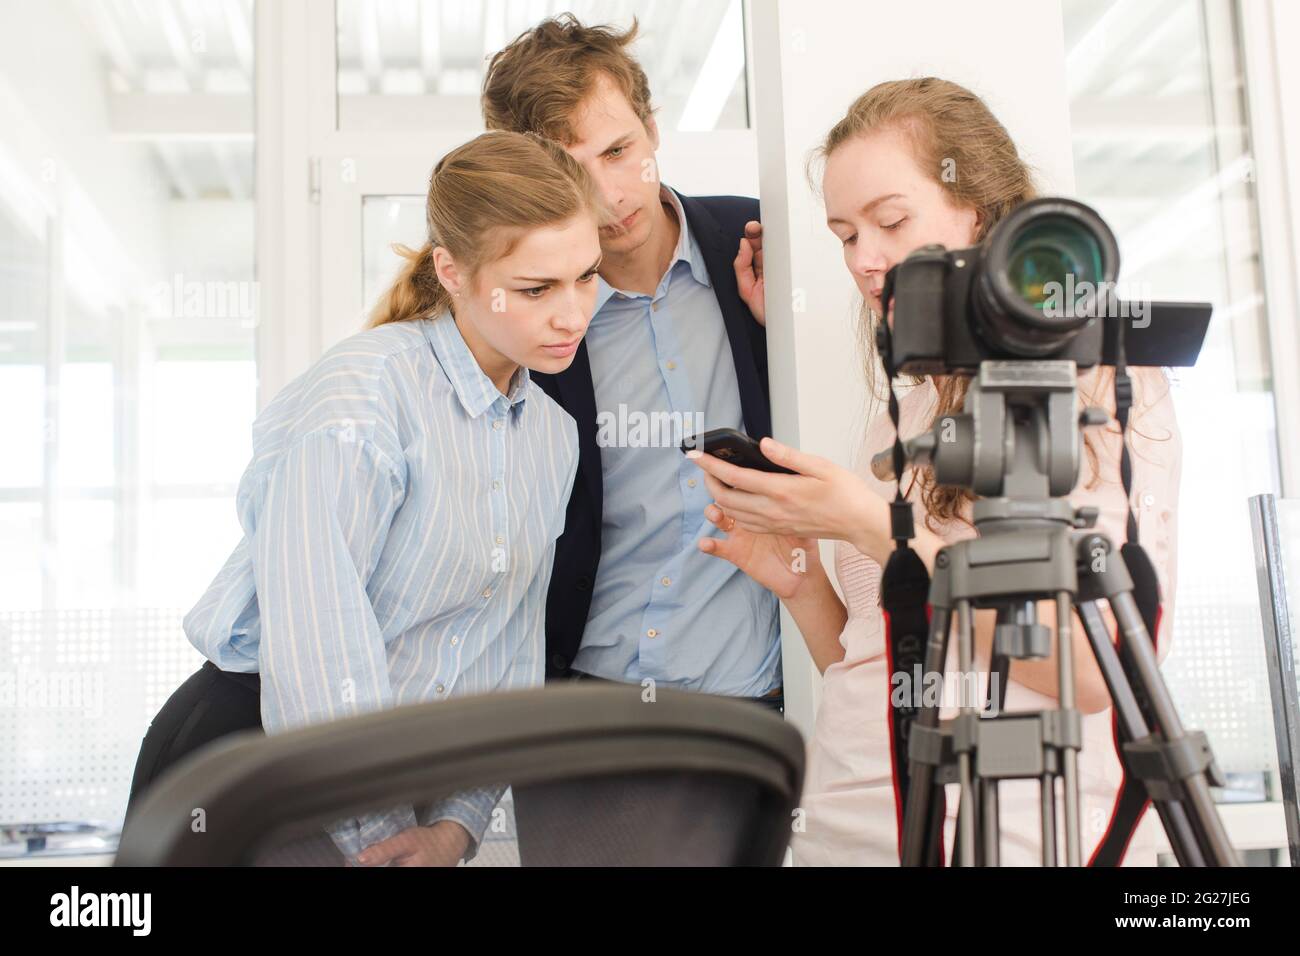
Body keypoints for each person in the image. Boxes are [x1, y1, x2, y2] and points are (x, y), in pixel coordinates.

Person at [695, 77, 1181, 865]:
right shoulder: (900, 418)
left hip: (1015, 838)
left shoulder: (1097, 389)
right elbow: (875, 667)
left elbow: (1094, 674)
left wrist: (873, 527)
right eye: (845, 235)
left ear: (980, 211)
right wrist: (797, 578)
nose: (864, 259)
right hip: (844, 830)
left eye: (890, 222)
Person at [125, 131, 602, 866]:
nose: (574, 315)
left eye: (587, 277)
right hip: (257, 766)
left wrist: (456, 825)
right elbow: (319, 643)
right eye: (538, 289)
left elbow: (506, 649)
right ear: (451, 270)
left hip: (399, 782)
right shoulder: (364, 394)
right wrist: (377, 835)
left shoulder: (553, 435)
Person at [479, 15, 782, 707]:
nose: (611, 197)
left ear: (652, 127)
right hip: (584, 700)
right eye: (571, 173)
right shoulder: (525, 317)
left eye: (620, 150)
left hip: (762, 694)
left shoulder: (761, 241)